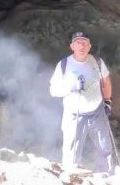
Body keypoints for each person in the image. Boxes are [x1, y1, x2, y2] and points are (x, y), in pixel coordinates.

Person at [49, 31, 116, 173]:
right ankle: (71, 176)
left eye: (85, 43)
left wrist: (108, 101)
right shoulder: (64, 65)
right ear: (72, 46)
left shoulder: (97, 62)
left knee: (104, 146)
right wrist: (71, 88)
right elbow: (53, 91)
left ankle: (107, 175)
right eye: (78, 43)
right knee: (71, 149)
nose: (82, 46)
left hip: (97, 112)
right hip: (74, 114)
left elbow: (106, 82)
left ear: (89, 46)